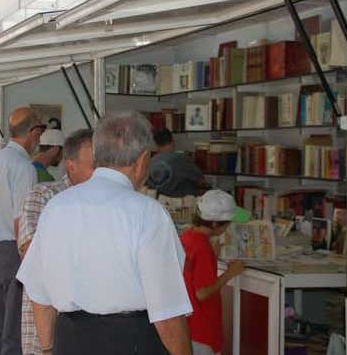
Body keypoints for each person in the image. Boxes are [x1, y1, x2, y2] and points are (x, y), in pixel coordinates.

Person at [17, 113, 193, 355]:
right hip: (130, 342)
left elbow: (39, 295)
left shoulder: (56, 207)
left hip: (69, 339)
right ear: (143, 160)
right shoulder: (148, 213)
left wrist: (48, 349)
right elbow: (168, 314)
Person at [18, 129, 95, 355]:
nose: (102, 173)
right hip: (48, 330)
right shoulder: (43, 195)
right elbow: (31, 250)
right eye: (94, 166)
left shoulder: (108, 204)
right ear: (71, 166)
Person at [0, 107, 45, 355]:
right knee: (14, 325)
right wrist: (31, 261)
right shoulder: (24, 168)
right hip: (11, 251)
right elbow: (21, 221)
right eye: (40, 132)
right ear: (34, 132)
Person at [181, 190, 249, 355]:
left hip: (187, 326)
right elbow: (201, 293)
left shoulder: (188, 237)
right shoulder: (202, 248)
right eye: (227, 223)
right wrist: (229, 273)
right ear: (215, 225)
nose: (229, 227)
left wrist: (212, 256)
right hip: (202, 329)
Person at [147, 127, 206, 197]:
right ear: (173, 141)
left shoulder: (151, 161)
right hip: (181, 204)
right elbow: (201, 180)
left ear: (157, 145)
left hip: (158, 203)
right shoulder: (181, 158)